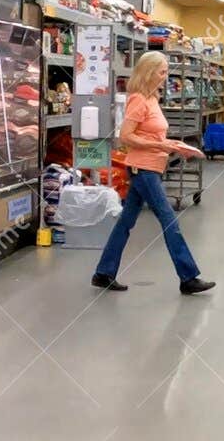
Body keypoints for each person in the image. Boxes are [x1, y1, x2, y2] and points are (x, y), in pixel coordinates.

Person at [91, 51, 216, 295]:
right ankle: (188, 277)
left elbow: (153, 135)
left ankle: (103, 272)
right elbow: (126, 136)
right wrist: (162, 146)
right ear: (149, 73)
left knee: (125, 223)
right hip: (143, 169)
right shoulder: (138, 99)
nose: (165, 76)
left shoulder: (152, 99)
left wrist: (178, 146)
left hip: (150, 166)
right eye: (162, 71)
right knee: (170, 221)